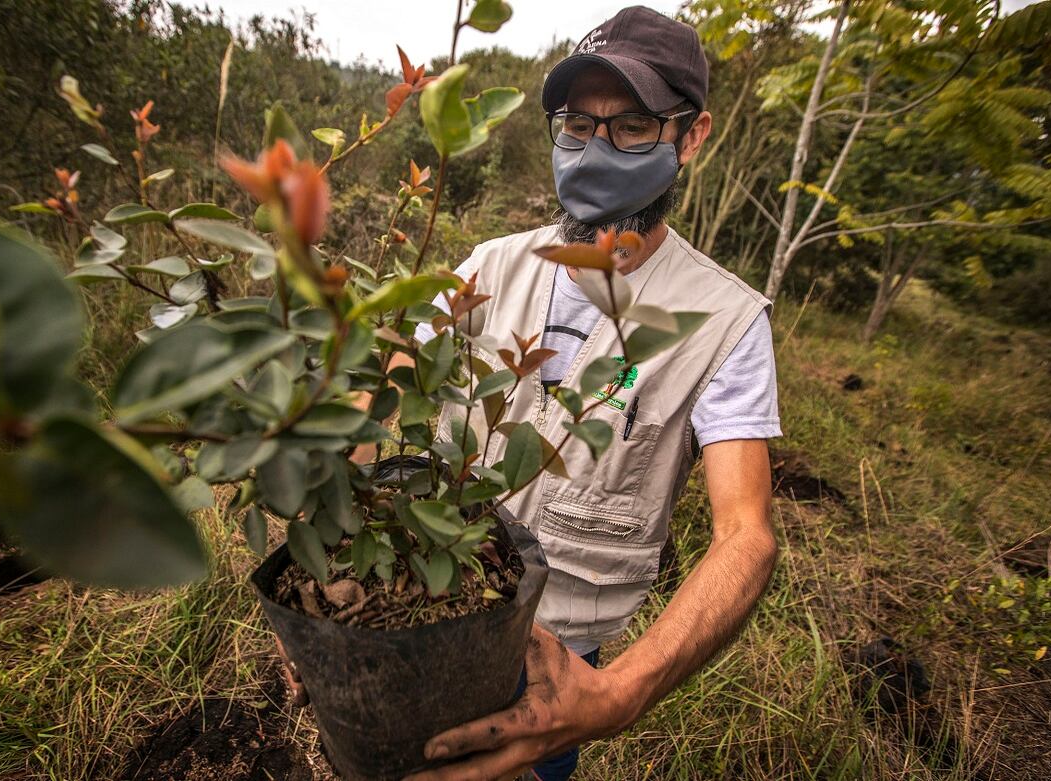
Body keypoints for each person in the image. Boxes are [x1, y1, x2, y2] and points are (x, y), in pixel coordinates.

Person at [290, 7, 783, 780]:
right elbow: (379, 396)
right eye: (578, 124)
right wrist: (316, 565)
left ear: (692, 136)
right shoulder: (488, 266)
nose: (595, 149)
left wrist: (617, 693)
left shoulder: (724, 321)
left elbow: (746, 536)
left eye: (631, 127)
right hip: (413, 610)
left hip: (557, 665)